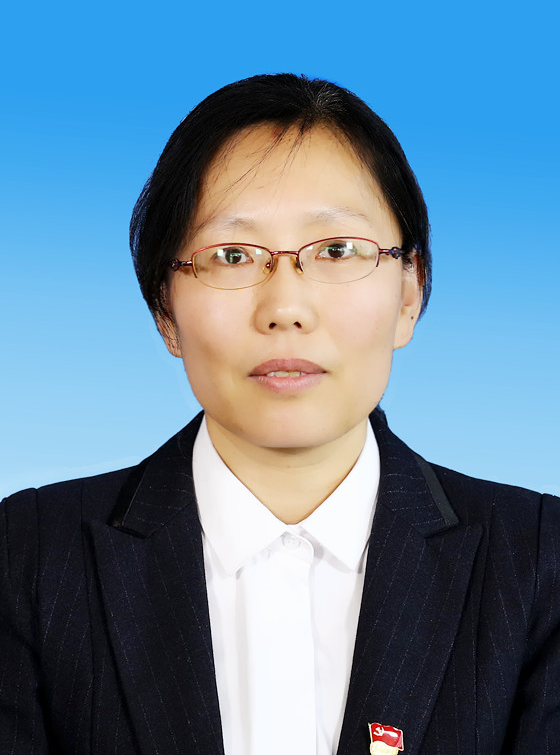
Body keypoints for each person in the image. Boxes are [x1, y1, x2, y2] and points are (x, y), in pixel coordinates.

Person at [1, 73, 558, 755]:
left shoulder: (539, 562)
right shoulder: (29, 558)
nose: (285, 308)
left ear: (409, 292)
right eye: (232, 255)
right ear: (165, 311)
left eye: (336, 250)